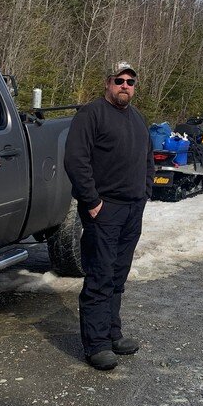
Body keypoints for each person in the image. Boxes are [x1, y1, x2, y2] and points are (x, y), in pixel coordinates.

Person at [64, 61, 154, 370]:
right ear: (108, 83)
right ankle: (97, 345)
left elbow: (148, 157)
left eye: (131, 81)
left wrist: (146, 192)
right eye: (120, 80)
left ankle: (113, 334)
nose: (125, 85)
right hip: (105, 209)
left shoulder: (138, 118)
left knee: (118, 275)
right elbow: (76, 160)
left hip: (132, 209)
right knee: (100, 276)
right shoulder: (91, 115)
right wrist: (92, 201)